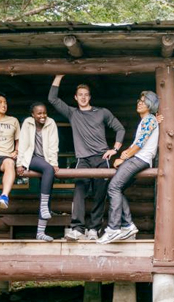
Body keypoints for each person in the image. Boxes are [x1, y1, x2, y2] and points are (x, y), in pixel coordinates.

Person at [48, 74, 125, 241]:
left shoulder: (102, 112)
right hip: (82, 160)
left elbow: (120, 129)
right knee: (79, 192)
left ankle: (93, 229)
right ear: (75, 98)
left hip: (101, 158)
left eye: (86, 94)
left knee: (99, 195)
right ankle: (77, 229)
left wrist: (115, 149)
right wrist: (58, 76)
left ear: (89, 97)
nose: (83, 97)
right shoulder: (72, 113)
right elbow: (52, 99)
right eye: (80, 95)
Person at [98, 91, 160, 244]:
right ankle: (128, 226)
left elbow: (139, 144)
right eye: (139, 100)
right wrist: (124, 155)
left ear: (151, 105)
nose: (139, 103)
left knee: (113, 188)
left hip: (140, 159)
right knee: (117, 188)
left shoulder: (149, 120)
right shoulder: (149, 120)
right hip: (139, 158)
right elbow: (137, 142)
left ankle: (113, 228)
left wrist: (123, 157)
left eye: (144, 101)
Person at [16, 102, 59, 241]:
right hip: (32, 158)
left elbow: (54, 144)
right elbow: (22, 143)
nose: (43, 116)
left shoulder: (51, 123)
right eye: (39, 113)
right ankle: (44, 206)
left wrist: (54, 163)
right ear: (33, 115)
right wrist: (20, 163)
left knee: (47, 195)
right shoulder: (27, 123)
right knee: (48, 170)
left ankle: (40, 233)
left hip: (46, 159)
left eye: (44, 113)